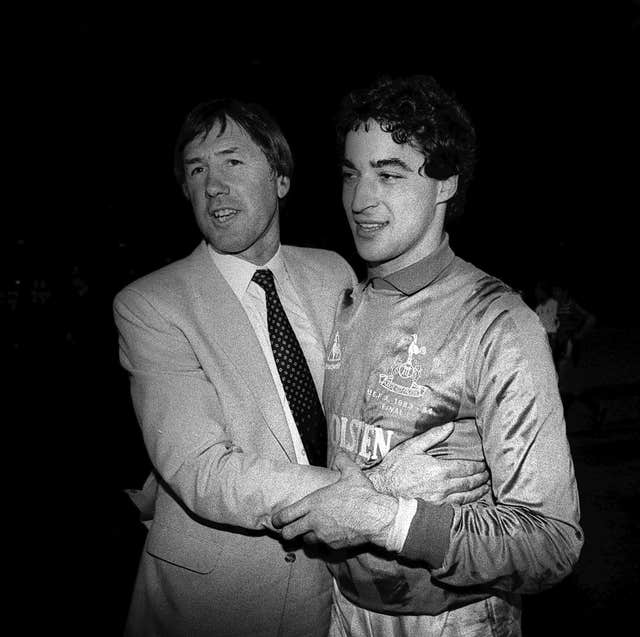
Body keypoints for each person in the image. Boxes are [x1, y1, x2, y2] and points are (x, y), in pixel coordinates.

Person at [114, 97, 490, 636]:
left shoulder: (332, 272)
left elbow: (379, 392)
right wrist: (373, 493)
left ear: (281, 179)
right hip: (212, 597)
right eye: (196, 170)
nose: (212, 184)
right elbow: (203, 470)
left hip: (329, 589)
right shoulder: (151, 304)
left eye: (231, 161)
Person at [273, 75, 584, 636]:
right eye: (351, 174)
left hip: (452, 620)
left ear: (445, 184)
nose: (361, 200)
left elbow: (551, 544)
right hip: (342, 611)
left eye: (389, 175)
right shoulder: (342, 304)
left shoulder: (496, 323)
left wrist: (387, 520)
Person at [533, 279, 559, 355]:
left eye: (538, 290)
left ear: (544, 291)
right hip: (542, 338)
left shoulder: (554, 304)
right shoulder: (538, 307)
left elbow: (556, 323)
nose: (536, 293)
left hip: (552, 338)